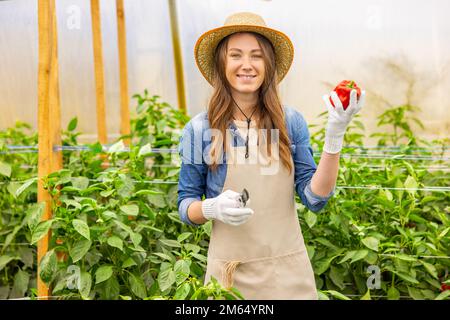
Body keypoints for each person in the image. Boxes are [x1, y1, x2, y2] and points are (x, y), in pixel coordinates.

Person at [177, 12, 365, 300]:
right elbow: (185, 204)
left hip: (289, 273)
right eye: (235, 55)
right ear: (221, 64)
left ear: (269, 63)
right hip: (229, 278)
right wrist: (210, 208)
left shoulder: (290, 122)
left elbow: (315, 199)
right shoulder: (200, 129)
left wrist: (334, 136)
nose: (247, 65)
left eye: (257, 56)